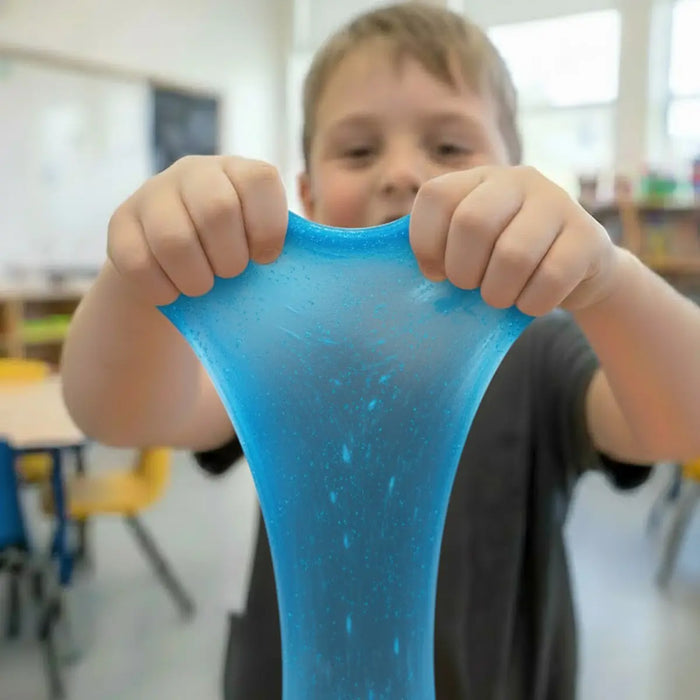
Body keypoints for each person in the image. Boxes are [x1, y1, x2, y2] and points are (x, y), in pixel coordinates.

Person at [61, 3, 700, 698]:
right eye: (359, 151)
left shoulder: (540, 353)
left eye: (449, 147)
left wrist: (607, 282)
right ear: (306, 195)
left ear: (516, 179)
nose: (400, 173)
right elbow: (117, 414)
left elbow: (683, 422)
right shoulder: (284, 350)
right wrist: (143, 275)